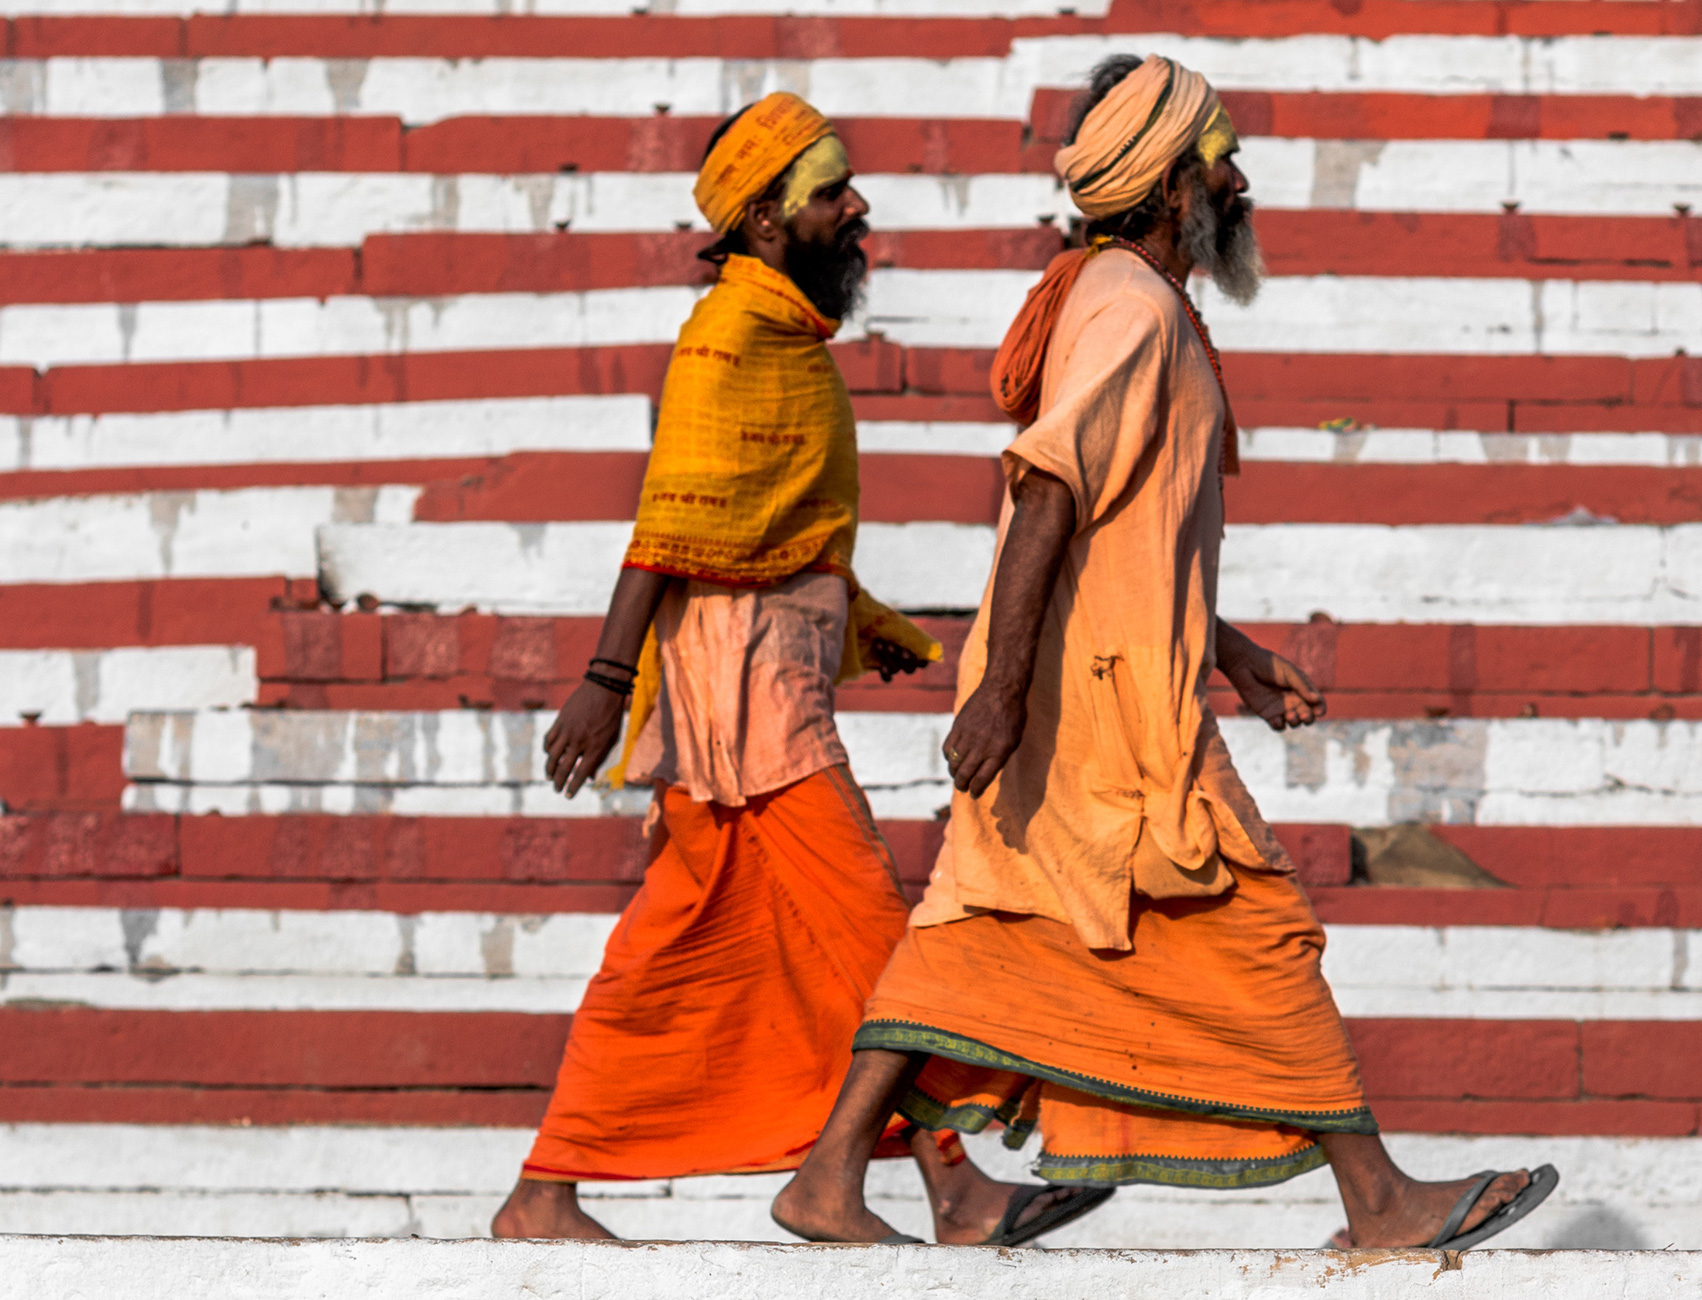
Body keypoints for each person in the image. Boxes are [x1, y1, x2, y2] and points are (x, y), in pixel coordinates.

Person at [770, 56, 1559, 1250]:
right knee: (1254, 919)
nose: (1237, 179)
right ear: (1164, 188)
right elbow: (1047, 495)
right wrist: (993, 693)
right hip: (1098, 710)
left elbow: (1119, 527)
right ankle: (1380, 1199)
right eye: (1217, 159)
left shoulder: (1119, 297)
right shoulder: (1130, 312)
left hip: (1099, 681)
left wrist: (1231, 650)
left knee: (977, 928)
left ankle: (830, 1176)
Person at [491, 92, 1110, 1248]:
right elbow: (670, 520)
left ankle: (542, 1192)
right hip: (739, 700)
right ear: (768, 222)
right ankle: (941, 1184)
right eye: (831, 192)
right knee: (877, 923)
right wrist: (602, 674)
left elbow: (775, 521)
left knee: (675, 941)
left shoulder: (780, 336)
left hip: (770, 669)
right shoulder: (726, 338)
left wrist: (864, 615)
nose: (856, 205)